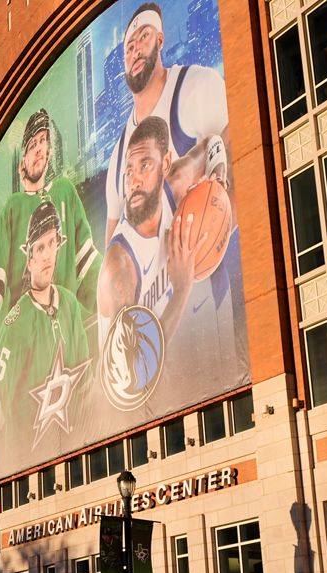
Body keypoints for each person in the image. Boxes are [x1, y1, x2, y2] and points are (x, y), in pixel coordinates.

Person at [96, 116, 241, 414]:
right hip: (139, 397)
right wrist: (182, 287)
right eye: (129, 172)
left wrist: (218, 176)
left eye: (145, 166)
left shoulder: (175, 183)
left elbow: (213, 143)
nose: (134, 180)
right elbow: (133, 371)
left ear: (165, 164)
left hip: (193, 342)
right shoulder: (118, 266)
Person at [102, 2, 232, 246]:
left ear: (160, 40)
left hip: (203, 269)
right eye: (129, 48)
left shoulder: (197, 86)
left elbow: (239, 165)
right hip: (158, 282)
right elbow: (113, 251)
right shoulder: (118, 158)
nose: (136, 50)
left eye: (145, 37)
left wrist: (207, 241)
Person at [0, 200, 93, 455]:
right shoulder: (14, 324)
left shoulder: (69, 303)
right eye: (39, 248)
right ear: (29, 257)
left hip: (75, 446)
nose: (47, 254)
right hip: (28, 459)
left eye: (51, 243)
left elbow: (86, 378)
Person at [0, 109, 101, 335]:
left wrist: (111, 290)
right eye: (32, 145)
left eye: (43, 141)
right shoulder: (13, 206)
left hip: (67, 328)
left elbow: (87, 259)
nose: (39, 149)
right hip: (26, 336)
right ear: (23, 160)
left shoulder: (65, 191)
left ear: (49, 151)